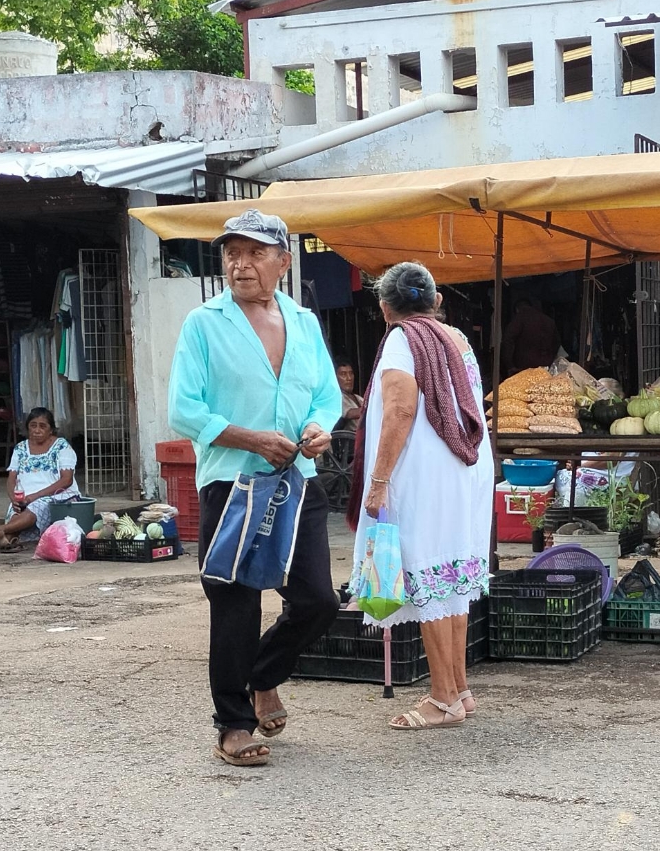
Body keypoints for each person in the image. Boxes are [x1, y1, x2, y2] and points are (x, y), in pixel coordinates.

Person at [168, 208, 341, 767]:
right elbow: (183, 409)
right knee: (236, 602)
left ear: (283, 261)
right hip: (231, 480)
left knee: (317, 600)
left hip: (297, 479)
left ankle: (263, 676)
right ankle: (233, 724)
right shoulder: (204, 323)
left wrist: (319, 428)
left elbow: (325, 395)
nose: (240, 265)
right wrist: (250, 439)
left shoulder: (304, 322)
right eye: (231, 254)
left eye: (255, 253)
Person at [350, 262, 492, 730]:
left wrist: (378, 480)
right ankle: (459, 689)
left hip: (425, 473)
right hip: (465, 467)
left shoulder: (400, 339)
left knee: (431, 571)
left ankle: (442, 698)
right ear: (435, 301)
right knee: (452, 575)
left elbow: (400, 409)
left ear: (384, 306)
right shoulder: (458, 339)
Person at [0, 407, 80, 552]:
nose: (37, 430)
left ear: (51, 430)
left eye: (43, 426)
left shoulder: (61, 446)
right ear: (28, 428)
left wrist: (33, 497)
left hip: (58, 496)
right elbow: (11, 479)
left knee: (36, 506)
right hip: (25, 497)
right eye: (33, 425)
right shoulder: (20, 448)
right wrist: (14, 500)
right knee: (17, 512)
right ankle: (7, 539)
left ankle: (1, 529)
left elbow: (66, 480)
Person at [503, 296, 562, 374]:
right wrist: (550, 358)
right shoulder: (548, 320)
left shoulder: (520, 318)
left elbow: (508, 339)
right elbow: (557, 342)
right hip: (545, 363)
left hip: (524, 364)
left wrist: (509, 365)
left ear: (517, 309)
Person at [335, 360, 363, 430]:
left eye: (351, 373)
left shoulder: (358, 398)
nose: (349, 378)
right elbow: (349, 414)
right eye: (343, 374)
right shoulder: (336, 398)